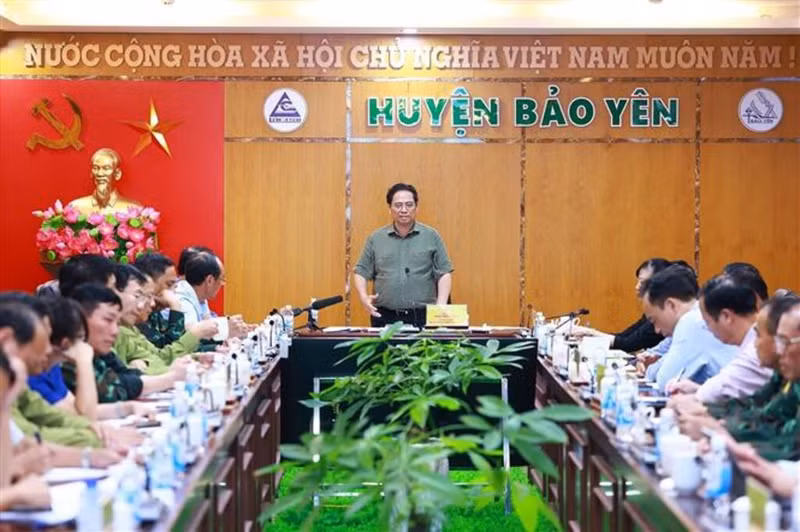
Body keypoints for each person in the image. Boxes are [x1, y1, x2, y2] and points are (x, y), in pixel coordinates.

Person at [64, 283, 188, 402]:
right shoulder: (65, 356)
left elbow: (126, 375)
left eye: (117, 323)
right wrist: (171, 377)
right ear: (79, 318)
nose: (115, 331)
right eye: (108, 320)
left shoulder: (100, 350)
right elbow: (113, 392)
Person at [353, 183, 454, 328]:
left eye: (409, 205)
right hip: (385, 316)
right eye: (398, 205)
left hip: (422, 316)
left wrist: (441, 305)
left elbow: (444, 272)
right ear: (390, 209)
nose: (404, 210)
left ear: (416, 208)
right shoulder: (376, 238)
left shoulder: (431, 236)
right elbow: (361, 271)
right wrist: (363, 296)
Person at [667, 272, 773, 401]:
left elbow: (718, 390)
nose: (709, 330)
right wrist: (697, 390)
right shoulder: (754, 338)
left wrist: (694, 396)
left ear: (726, 317)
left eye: (707, 323)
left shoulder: (758, 349)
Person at [639, 264, 737, 392]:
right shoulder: (695, 317)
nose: (656, 330)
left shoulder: (691, 321)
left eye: (654, 320)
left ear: (671, 306)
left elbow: (664, 381)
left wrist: (651, 369)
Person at [573, 257, 671, 352]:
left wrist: (590, 333)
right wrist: (590, 336)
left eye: (642, 283)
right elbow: (624, 336)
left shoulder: (663, 315)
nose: (637, 287)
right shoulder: (651, 313)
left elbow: (628, 344)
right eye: (638, 282)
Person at [68, 148, 141, 215]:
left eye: (106, 168)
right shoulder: (75, 208)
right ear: (91, 173)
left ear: (117, 174)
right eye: (96, 168)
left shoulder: (133, 210)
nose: (100, 174)